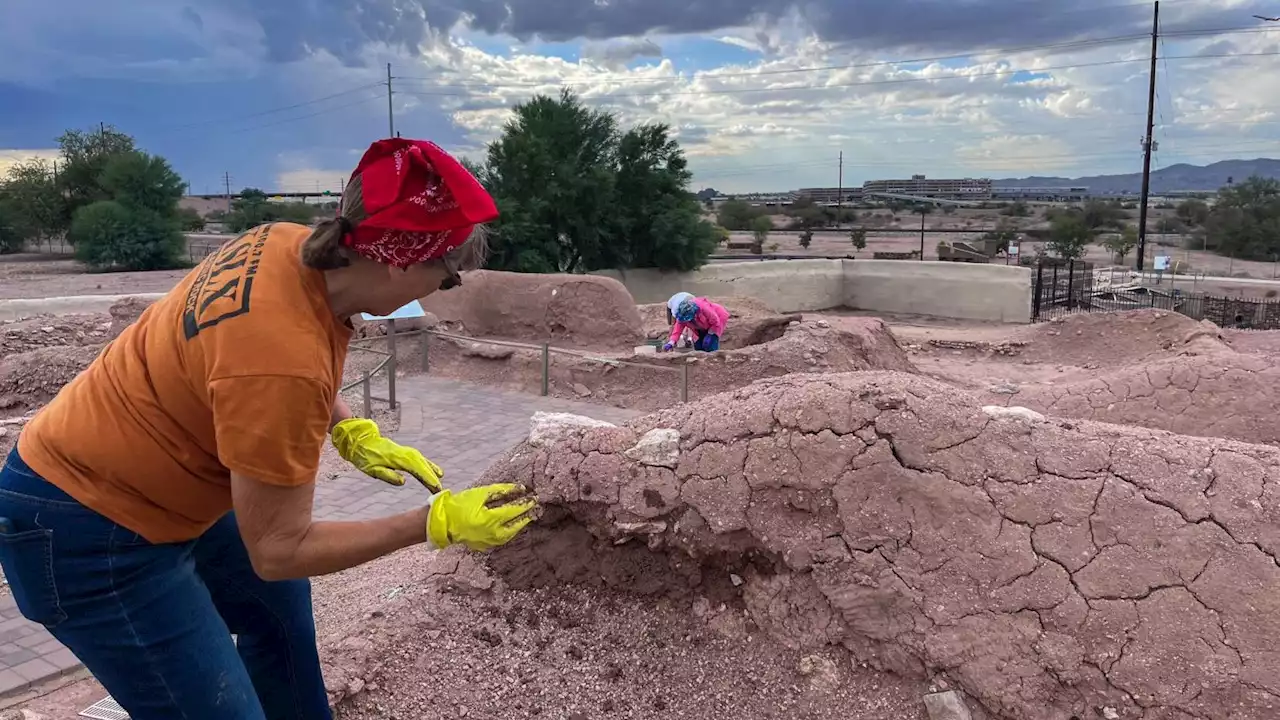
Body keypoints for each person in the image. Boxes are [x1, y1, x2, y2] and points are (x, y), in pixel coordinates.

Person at [0, 138, 538, 720]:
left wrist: (350, 428)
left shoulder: (286, 244)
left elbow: (256, 352)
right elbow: (279, 549)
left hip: (137, 472)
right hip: (85, 529)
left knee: (278, 614)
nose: (441, 291)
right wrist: (433, 523)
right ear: (402, 259)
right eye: (449, 276)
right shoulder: (283, 365)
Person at [662, 296, 729, 353]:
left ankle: (712, 361)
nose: (687, 321)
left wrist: (710, 334)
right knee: (698, 345)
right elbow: (677, 331)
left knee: (710, 344)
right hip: (701, 326)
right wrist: (671, 342)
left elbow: (715, 322)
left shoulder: (704, 308)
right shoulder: (681, 316)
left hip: (718, 319)